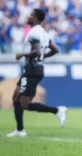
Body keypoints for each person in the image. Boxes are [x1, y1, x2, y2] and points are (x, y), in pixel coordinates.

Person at [7, 9, 67, 137]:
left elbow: (37, 51)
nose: (28, 17)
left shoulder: (34, 33)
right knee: (16, 97)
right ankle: (20, 130)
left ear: (35, 18)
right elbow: (55, 49)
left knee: (25, 104)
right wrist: (42, 58)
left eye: (31, 15)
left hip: (32, 70)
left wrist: (22, 54)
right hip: (34, 69)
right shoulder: (44, 33)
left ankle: (57, 110)